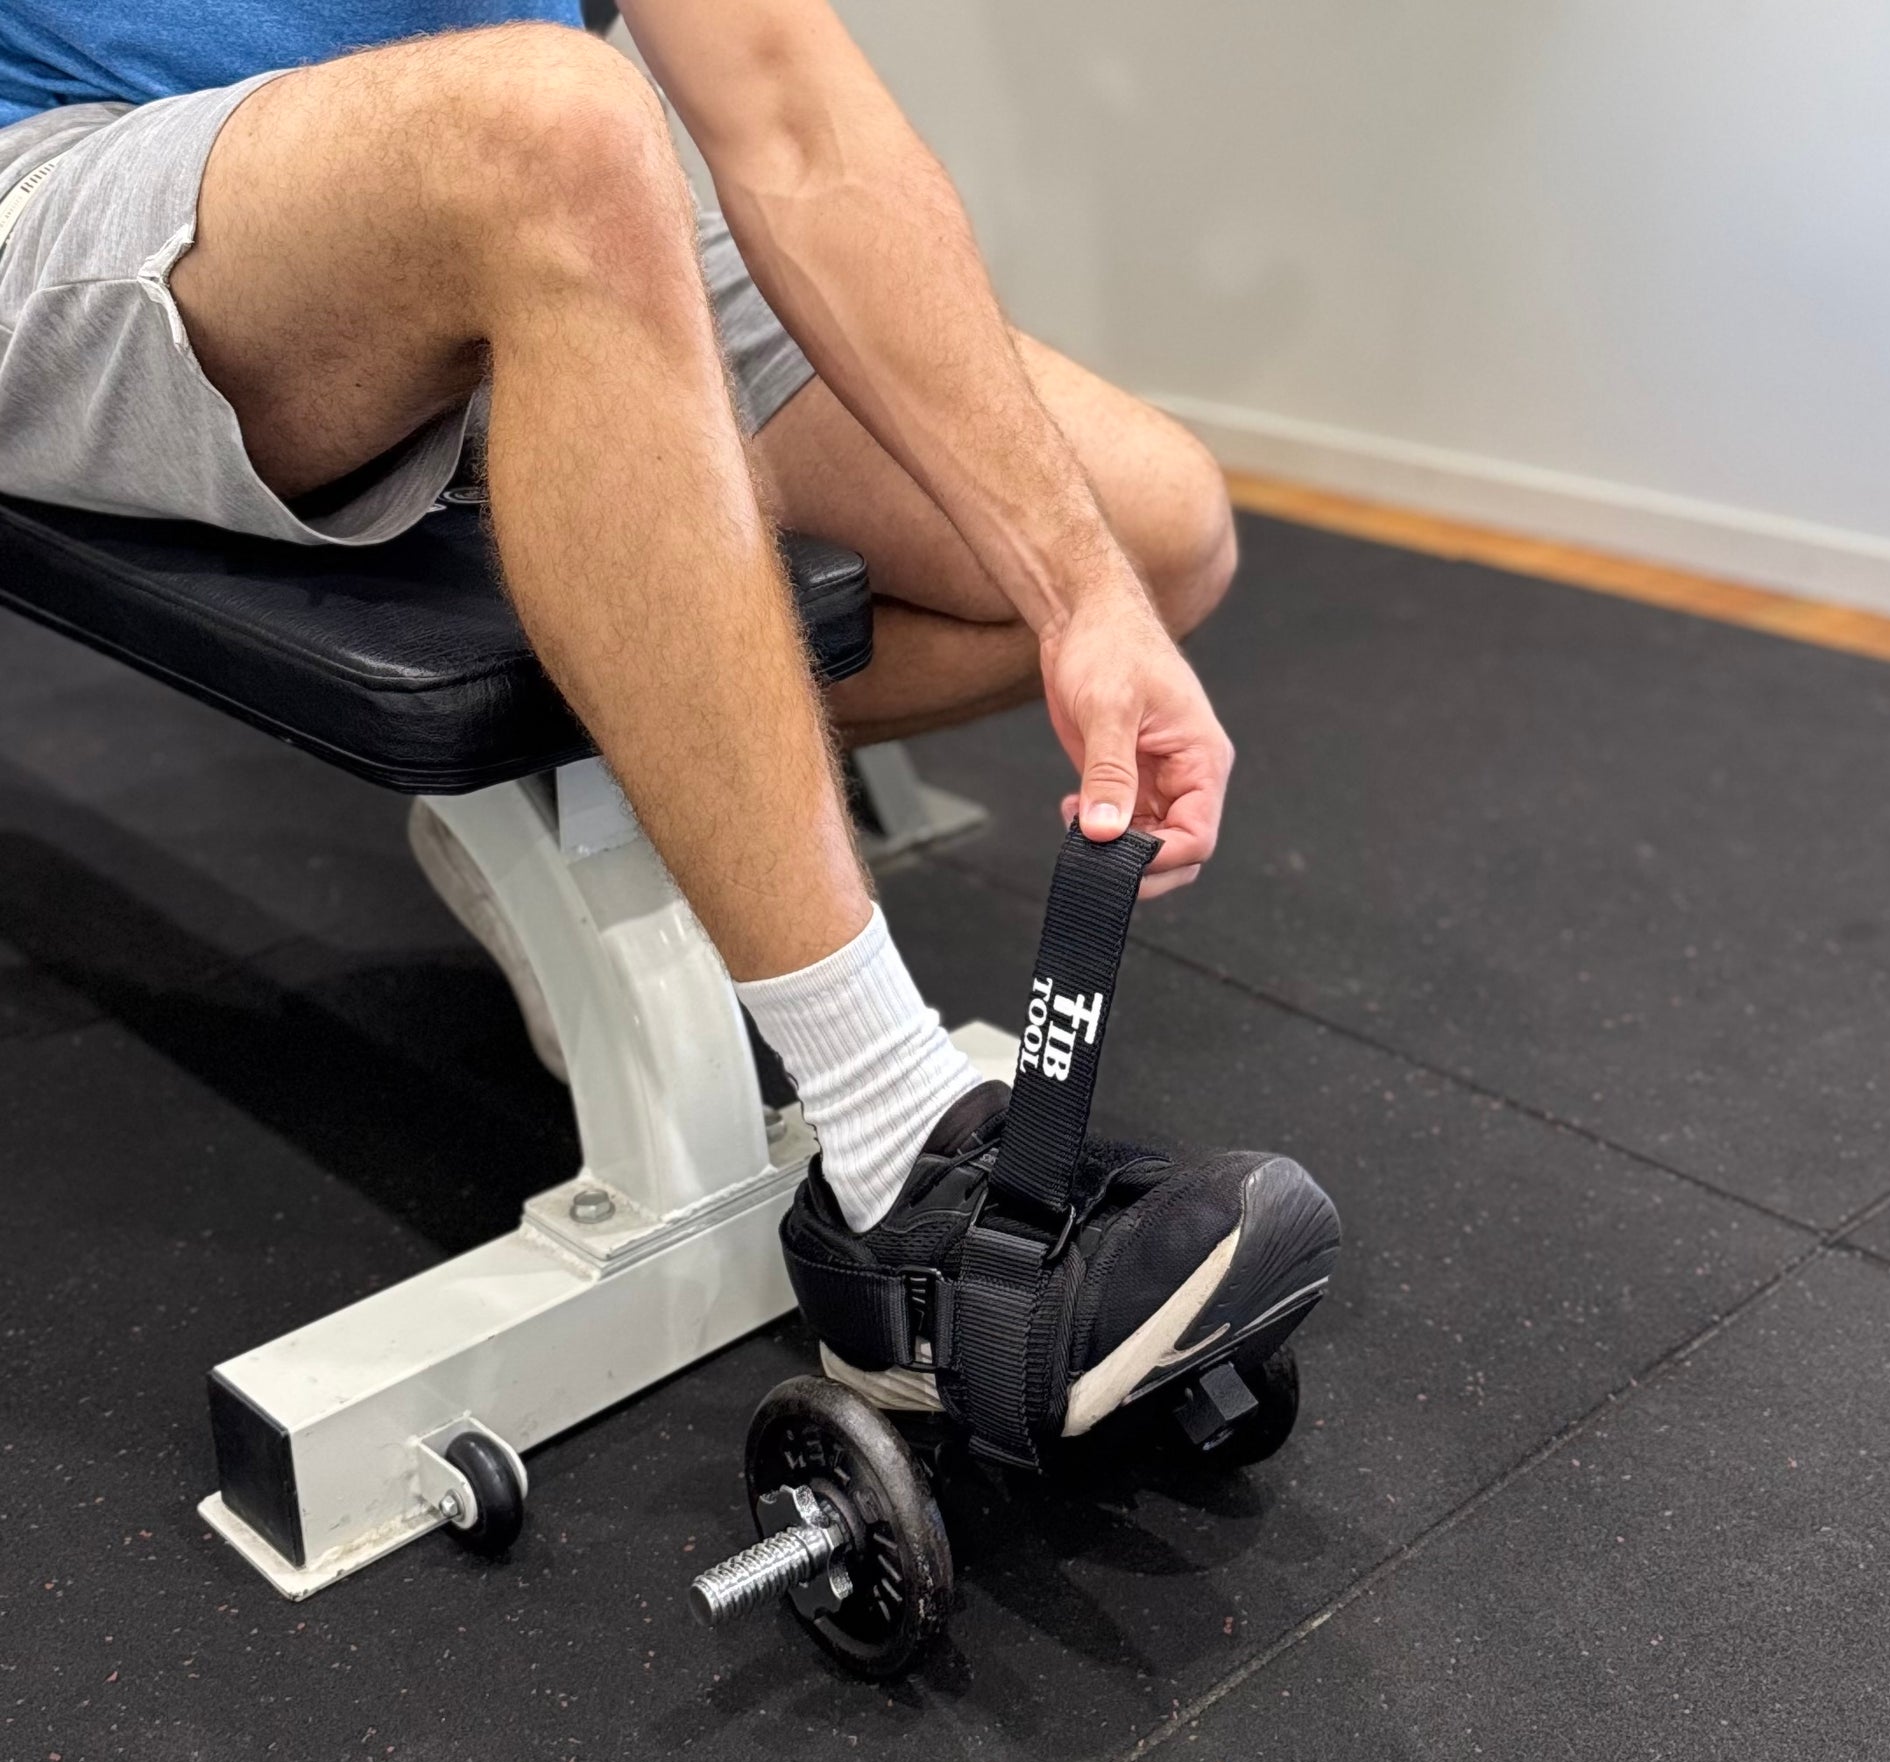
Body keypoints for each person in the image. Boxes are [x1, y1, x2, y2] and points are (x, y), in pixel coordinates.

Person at [0, 1, 1337, 1461]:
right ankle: (896, 1152)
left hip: (514, 191)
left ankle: (607, 692)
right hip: (80, 168)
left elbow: (797, 122)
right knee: (554, 124)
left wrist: (1078, 593)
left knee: (1151, 532)